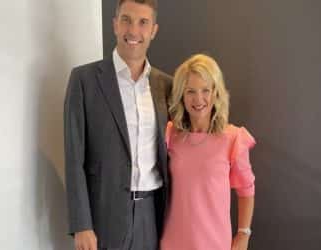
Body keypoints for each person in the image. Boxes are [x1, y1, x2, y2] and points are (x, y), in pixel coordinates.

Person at [63, 0, 172, 250]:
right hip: (103, 216)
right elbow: (73, 158)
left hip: (153, 215)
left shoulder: (166, 86)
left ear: (154, 30)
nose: (133, 30)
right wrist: (82, 224)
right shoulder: (84, 80)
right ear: (114, 24)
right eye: (126, 19)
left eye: (143, 22)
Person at [160, 54, 255, 250]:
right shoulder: (170, 135)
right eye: (190, 91)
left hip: (215, 243)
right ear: (181, 96)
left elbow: (246, 190)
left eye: (205, 90)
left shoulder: (233, 139)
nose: (198, 99)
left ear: (216, 92)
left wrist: (243, 233)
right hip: (172, 243)